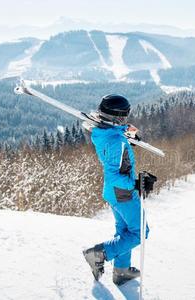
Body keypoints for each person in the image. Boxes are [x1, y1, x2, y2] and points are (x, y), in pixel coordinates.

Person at [82, 94, 156, 285]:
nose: (125, 120)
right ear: (115, 118)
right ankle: (100, 253)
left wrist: (129, 136)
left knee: (124, 231)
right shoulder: (116, 142)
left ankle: (121, 271)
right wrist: (137, 184)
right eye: (123, 117)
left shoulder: (106, 133)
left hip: (114, 193)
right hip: (122, 193)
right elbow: (115, 175)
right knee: (140, 232)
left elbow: (118, 139)